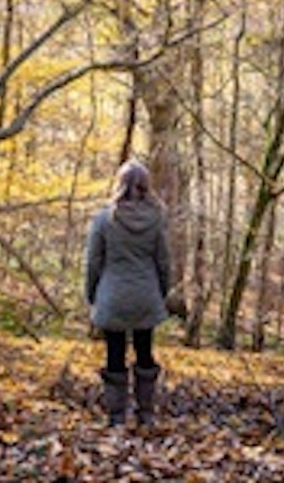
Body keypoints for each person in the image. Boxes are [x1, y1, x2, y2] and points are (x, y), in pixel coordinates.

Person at [84, 158, 172, 427]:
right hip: (146, 295)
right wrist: (161, 293)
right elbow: (164, 262)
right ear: (146, 186)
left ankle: (117, 417)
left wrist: (92, 295)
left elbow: (93, 262)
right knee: (145, 353)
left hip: (113, 295)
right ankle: (145, 415)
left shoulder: (104, 218)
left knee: (115, 354)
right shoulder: (157, 219)